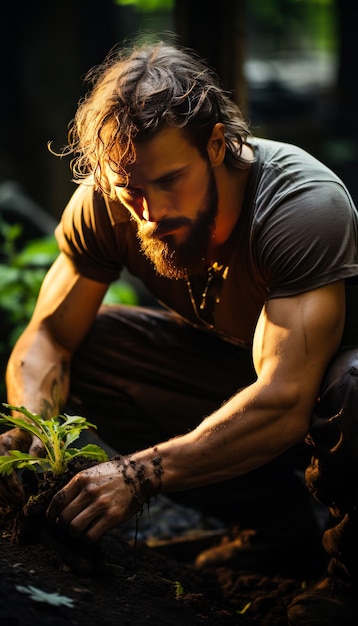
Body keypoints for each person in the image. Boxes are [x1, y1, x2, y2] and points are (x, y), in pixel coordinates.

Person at [1, 40, 358, 625]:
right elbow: (49, 340)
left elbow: (286, 400)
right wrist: (37, 437)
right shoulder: (108, 204)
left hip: (323, 400)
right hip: (240, 374)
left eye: (170, 181)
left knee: (352, 383)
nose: (149, 212)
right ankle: (274, 531)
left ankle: (349, 581)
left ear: (217, 145)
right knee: (96, 345)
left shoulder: (301, 208)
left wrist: (138, 474)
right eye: (130, 187)